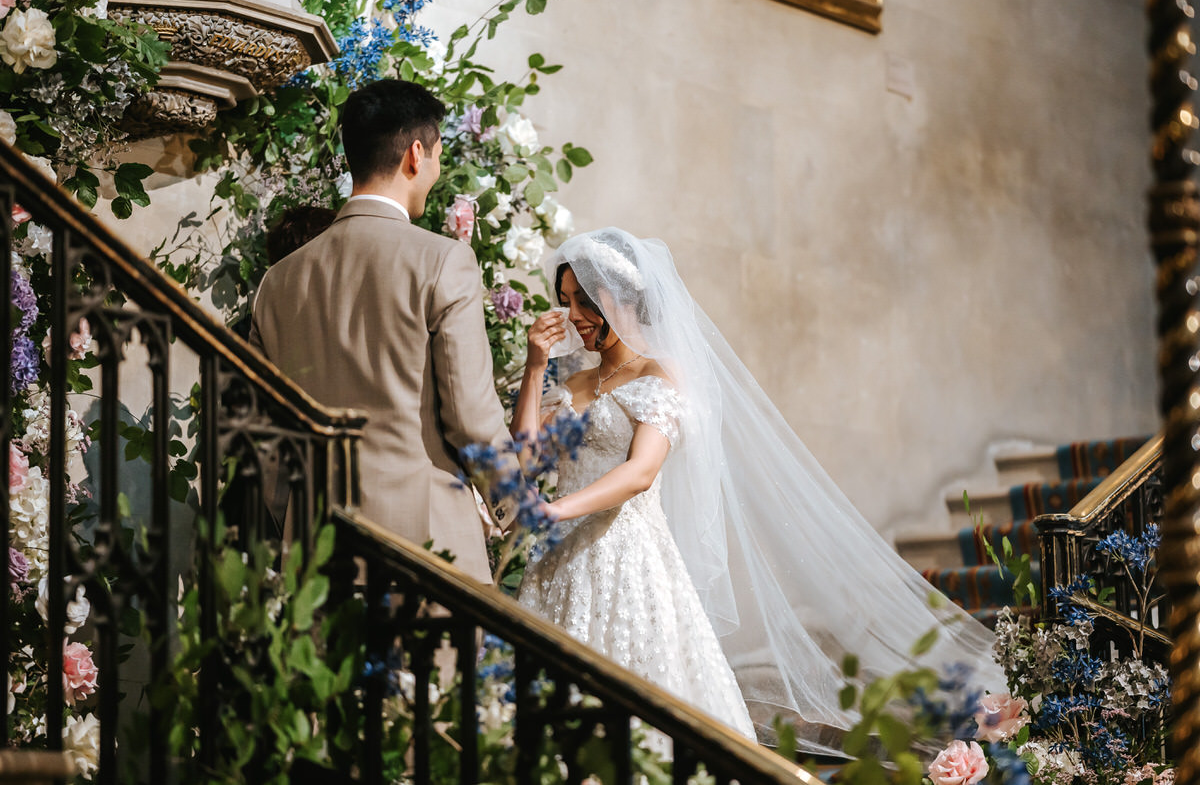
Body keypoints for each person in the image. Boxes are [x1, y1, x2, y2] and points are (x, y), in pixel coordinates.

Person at [511, 228, 1004, 754]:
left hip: (624, 556)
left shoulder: (662, 373)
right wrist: (535, 366)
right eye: (564, 301)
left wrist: (553, 509)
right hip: (557, 559)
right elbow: (523, 457)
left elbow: (640, 473)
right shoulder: (575, 381)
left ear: (623, 296)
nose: (572, 315)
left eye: (585, 300)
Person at [248, 79, 509, 582]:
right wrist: (516, 508)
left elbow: (268, 441)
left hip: (316, 549)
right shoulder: (444, 260)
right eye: (436, 155)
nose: (434, 171)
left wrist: (293, 526)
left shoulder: (277, 282)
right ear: (416, 154)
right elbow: (471, 414)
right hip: (425, 546)